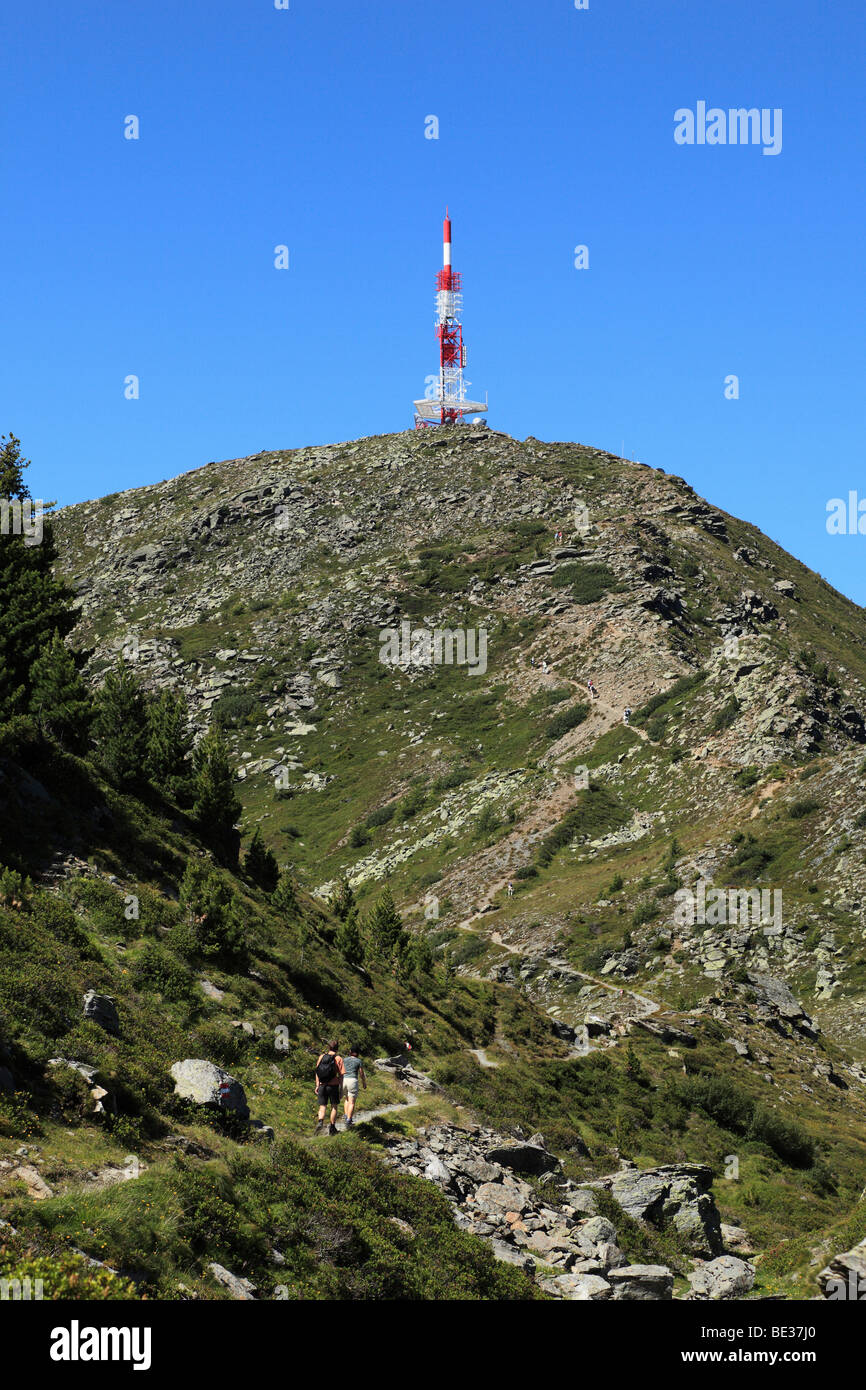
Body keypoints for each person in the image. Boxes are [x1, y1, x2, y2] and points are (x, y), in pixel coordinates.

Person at [314, 1041, 344, 1135]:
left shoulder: (322, 1057)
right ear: (337, 1048)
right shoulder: (338, 1058)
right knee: (334, 1106)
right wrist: (341, 1089)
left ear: (329, 1047)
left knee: (322, 1106)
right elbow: (341, 1075)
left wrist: (317, 1085)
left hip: (322, 1085)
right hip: (333, 1086)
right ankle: (332, 1127)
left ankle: (320, 1122)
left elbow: (317, 1072)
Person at [341, 1046, 367, 1128]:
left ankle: (346, 1116)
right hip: (352, 1081)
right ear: (357, 1053)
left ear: (350, 1051)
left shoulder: (345, 1059)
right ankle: (349, 1120)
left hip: (344, 1080)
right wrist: (364, 1082)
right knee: (352, 1102)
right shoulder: (358, 1061)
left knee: (346, 1099)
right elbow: (361, 1073)